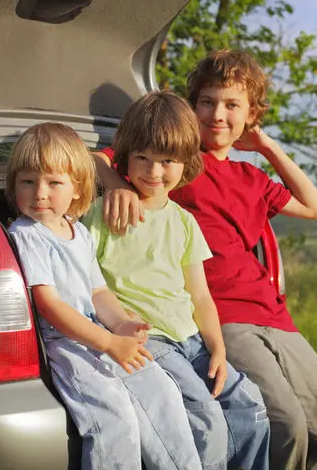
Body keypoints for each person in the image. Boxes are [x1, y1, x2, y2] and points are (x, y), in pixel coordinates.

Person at [94, 50, 317, 470]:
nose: (218, 114)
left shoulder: (251, 178)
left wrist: (265, 146)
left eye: (233, 105)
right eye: (207, 102)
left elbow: (316, 207)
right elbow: (94, 158)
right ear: (192, 108)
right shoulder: (175, 163)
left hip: (273, 314)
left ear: (251, 114)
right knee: (286, 425)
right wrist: (114, 186)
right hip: (222, 313)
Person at [82, 91, 270, 470]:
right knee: (206, 418)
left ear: (185, 163)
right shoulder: (104, 213)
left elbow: (200, 295)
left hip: (191, 339)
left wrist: (217, 346)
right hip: (149, 340)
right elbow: (88, 280)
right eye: (143, 159)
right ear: (124, 158)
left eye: (167, 161)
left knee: (251, 410)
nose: (154, 172)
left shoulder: (184, 221)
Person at [5, 122, 201, 470]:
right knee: (114, 418)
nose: (39, 193)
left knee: (162, 392)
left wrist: (122, 323)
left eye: (53, 182)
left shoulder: (78, 232)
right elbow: (49, 305)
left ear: (77, 189)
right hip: (67, 346)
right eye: (28, 181)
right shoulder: (27, 234)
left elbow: (97, 290)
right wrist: (108, 343)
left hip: (98, 334)